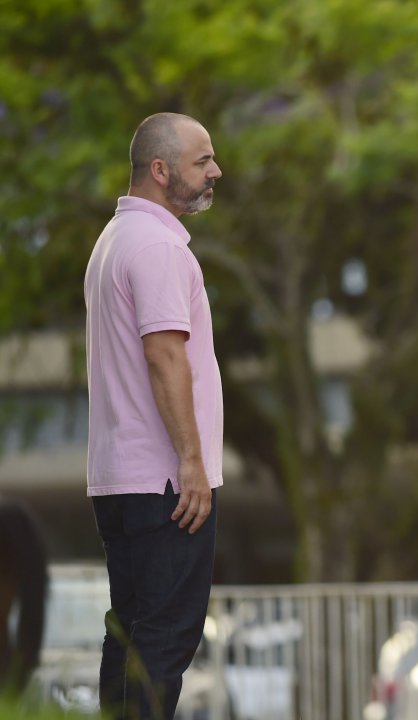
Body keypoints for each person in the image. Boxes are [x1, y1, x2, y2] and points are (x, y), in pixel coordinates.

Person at [84, 112, 223, 720]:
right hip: (165, 483)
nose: (216, 171)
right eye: (203, 160)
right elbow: (165, 355)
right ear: (161, 170)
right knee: (164, 641)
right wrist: (192, 461)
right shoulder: (159, 246)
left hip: (121, 479)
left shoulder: (114, 238)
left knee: (131, 635)